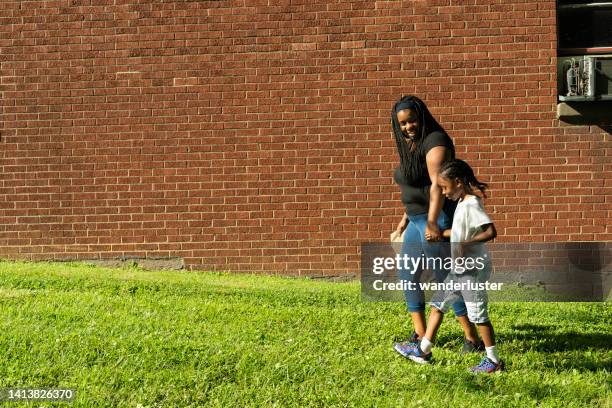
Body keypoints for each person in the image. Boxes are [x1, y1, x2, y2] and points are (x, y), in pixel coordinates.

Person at [390, 96, 481, 357]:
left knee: (446, 280)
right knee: (408, 276)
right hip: (416, 220)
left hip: (435, 221)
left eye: (412, 120)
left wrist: (431, 222)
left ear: (422, 116)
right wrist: (406, 217)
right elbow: (414, 188)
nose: (408, 126)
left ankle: (471, 338)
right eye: (403, 123)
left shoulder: (436, 142)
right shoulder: (412, 144)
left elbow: (436, 186)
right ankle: (419, 335)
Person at [402, 159, 505, 374]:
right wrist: (442, 234)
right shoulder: (461, 202)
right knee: (438, 304)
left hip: (472, 269)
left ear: (458, 182)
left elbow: (490, 232)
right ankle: (424, 350)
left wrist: (465, 244)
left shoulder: (472, 204)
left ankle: (493, 361)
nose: (443, 192)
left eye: (444, 187)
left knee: (479, 316)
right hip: (459, 268)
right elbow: (460, 231)